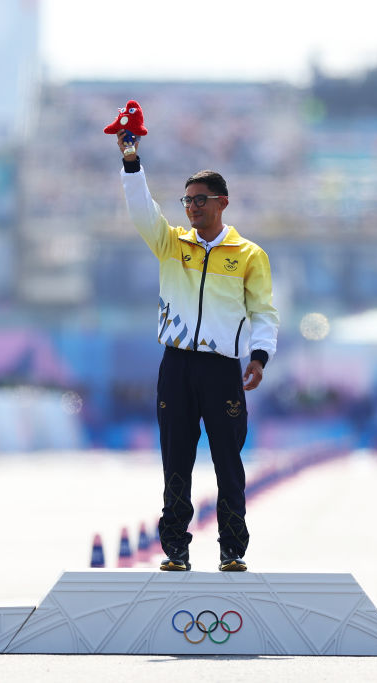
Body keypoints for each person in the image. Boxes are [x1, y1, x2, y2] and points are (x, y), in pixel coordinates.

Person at [115, 131, 279, 572]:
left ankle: (232, 549)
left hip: (223, 369)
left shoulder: (248, 255)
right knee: (176, 459)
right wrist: (132, 161)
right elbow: (141, 211)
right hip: (176, 365)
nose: (191, 207)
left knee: (228, 461)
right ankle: (175, 548)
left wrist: (260, 357)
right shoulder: (172, 244)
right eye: (187, 201)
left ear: (223, 202)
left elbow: (264, 311)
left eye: (200, 199)